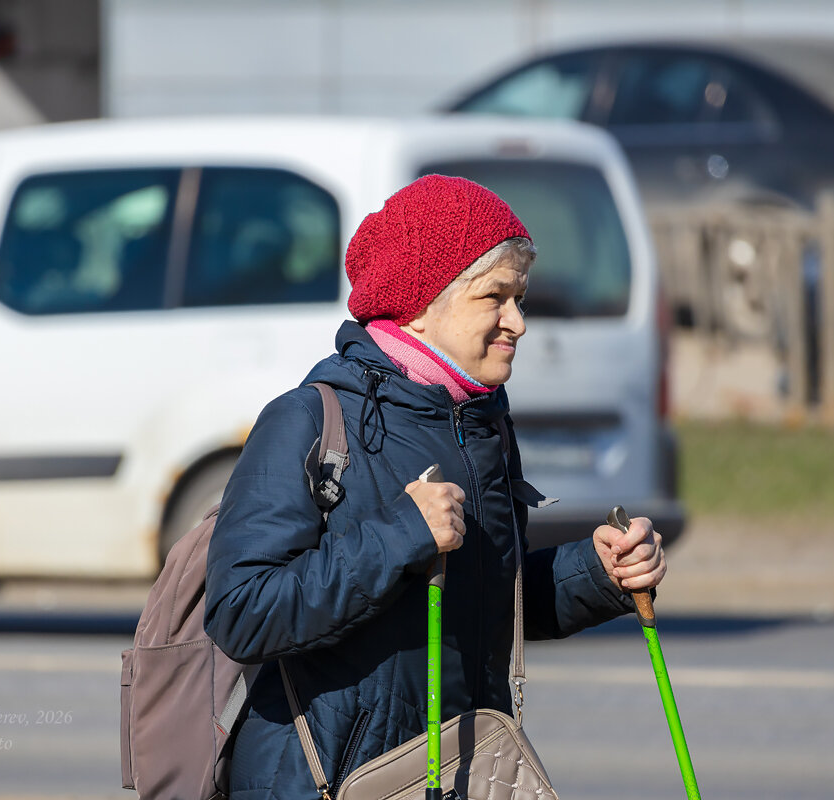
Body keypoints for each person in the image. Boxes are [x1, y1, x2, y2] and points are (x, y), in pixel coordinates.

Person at [204, 175, 666, 800]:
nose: (518, 323)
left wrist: (599, 571)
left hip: (456, 777)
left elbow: (483, 601)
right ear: (421, 303)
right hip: (324, 784)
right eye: (494, 298)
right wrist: (400, 535)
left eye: (519, 298)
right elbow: (242, 612)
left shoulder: (482, 424)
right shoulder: (309, 420)